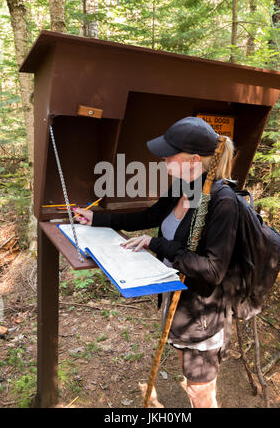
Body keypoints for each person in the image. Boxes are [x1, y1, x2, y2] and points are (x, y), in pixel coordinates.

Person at [74, 116, 239, 408]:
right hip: (176, 300)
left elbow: (213, 270)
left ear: (193, 159)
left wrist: (156, 243)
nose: (162, 159)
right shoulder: (185, 185)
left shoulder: (222, 202)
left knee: (200, 392)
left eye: (168, 155)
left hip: (203, 312)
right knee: (187, 374)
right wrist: (97, 219)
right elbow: (150, 216)